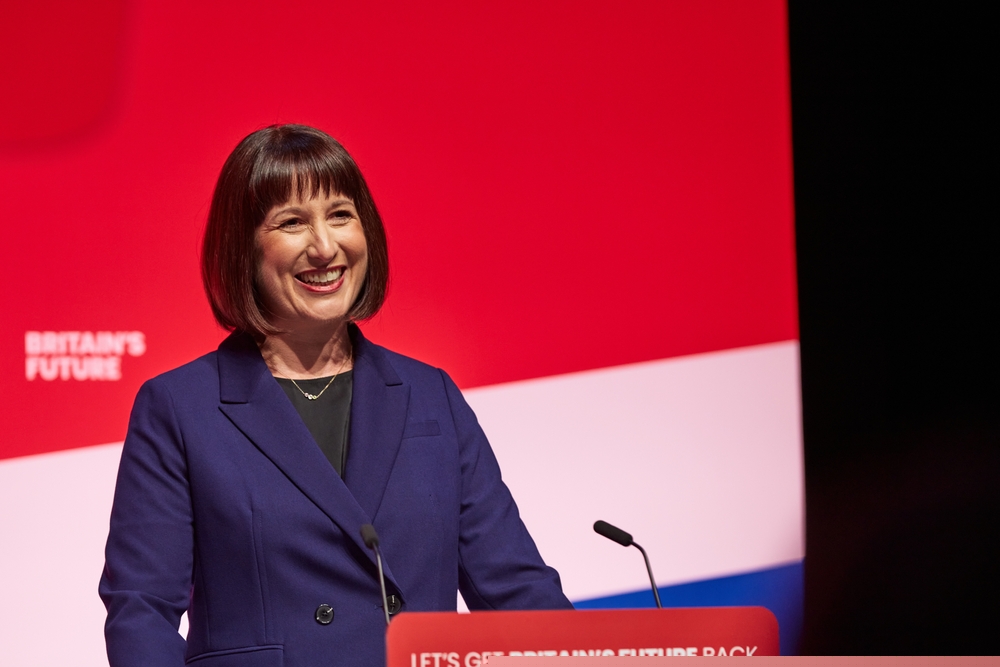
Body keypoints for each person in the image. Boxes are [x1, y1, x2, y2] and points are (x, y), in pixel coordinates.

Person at [99, 124, 572, 667]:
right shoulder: (180, 409)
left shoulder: (430, 396)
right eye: (292, 222)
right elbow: (141, 613)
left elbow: (517, 591)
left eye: (341, 215)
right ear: (242, 247)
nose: (325, 247)